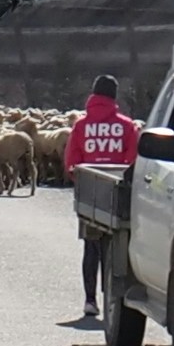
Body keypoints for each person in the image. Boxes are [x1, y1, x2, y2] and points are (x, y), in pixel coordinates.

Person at [62, 79, 139, 324]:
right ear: (114, 97)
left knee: (91, 247)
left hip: (90, 193)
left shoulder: (81, 126)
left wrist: (79, 177)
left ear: (93, 95)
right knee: (115, 248)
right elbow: (133, 160)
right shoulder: (127, 127)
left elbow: (71, 160)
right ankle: (111, 301)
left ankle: (90, 300)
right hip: (118, 194)